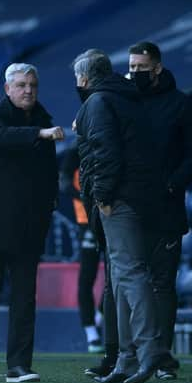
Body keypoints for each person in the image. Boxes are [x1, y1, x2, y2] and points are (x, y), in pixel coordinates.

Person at [0, 63, 65, 383]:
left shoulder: (44, 120)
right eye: (21, 85)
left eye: (32, 84)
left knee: (24, 297)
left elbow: (49, 174)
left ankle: (18, 365)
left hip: (28, 225)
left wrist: (49, 208)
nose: (28, 90)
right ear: (7, 89)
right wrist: (37, 134)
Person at [73, 49, 169, 383]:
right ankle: (126, 359)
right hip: (141, 195)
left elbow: (105, 152)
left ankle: (147, 351)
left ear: (84, 79)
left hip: (119, 199)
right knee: (121, 274)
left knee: (129, 273)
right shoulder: (127, 97)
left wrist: (102, 196)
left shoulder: (98, 103)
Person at [127, 41, 192, 380]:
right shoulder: (125, 101)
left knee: (161, 284)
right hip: (129, 207)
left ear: (158, 68)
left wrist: (173, 183)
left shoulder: (181, 105)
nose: (134, 74)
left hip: (166, 209)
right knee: (127, 282)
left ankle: (159, 356)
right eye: (131, 68)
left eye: (141, 69)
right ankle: (126, 354)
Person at [59, 143, 104, 353]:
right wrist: (87, 196)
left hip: (112, 219)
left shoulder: (108, 147)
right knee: (87, 276)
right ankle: (90, 330)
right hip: (87, 221)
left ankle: (103, 314)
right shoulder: (73, 154)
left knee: (118, 272)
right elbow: (65, 184)